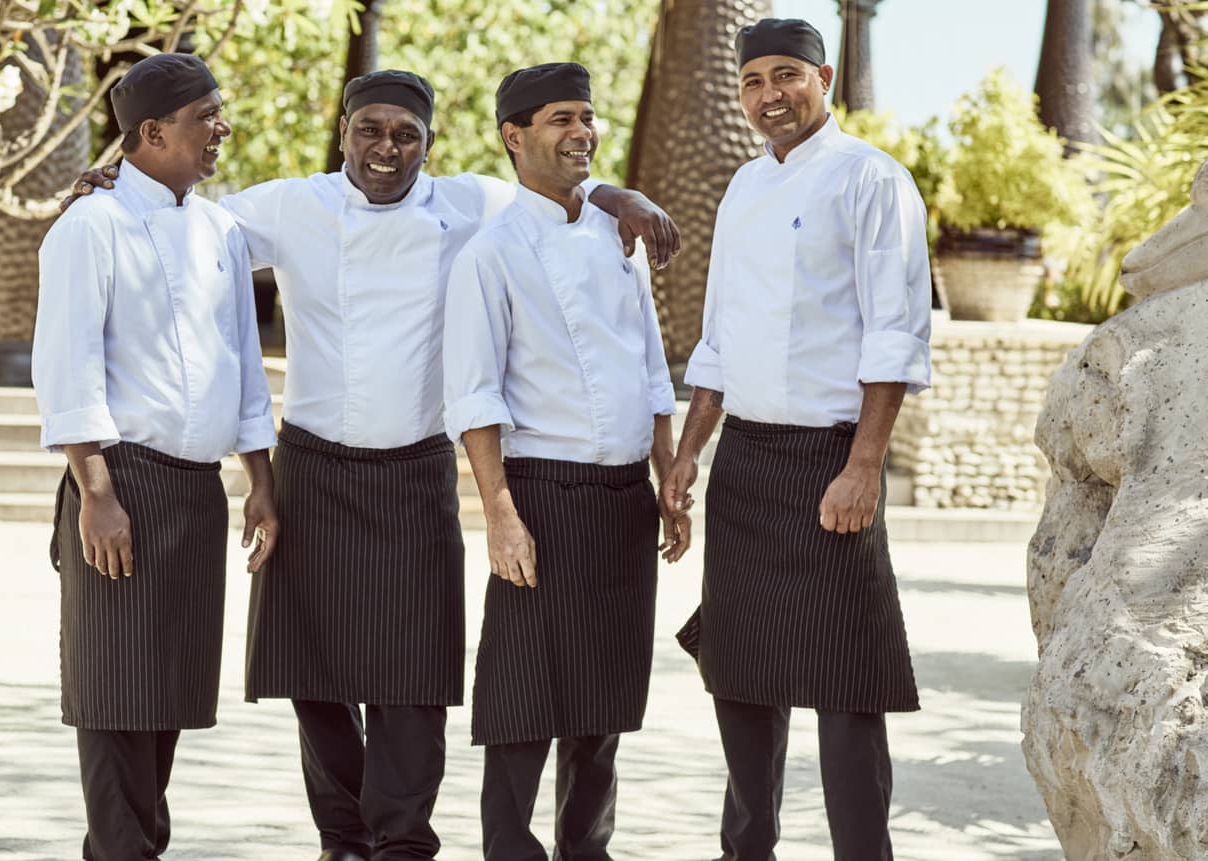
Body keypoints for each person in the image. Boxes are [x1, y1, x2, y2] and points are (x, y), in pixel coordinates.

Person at [63, 68, 680, 861]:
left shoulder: (467, 204)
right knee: (313, 673)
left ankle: (401, 839)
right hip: (313, 468)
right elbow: (182, 214)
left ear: (430, 144)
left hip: (418, 468)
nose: (386, 148)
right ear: (345, 132)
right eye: (369, 130)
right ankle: (343, 837)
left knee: (414, 677)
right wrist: (112, 177)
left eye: (405, 134)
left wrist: (614, 196)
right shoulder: (288, 206)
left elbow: (550, 186)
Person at [660, 18, 932, 861]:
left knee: (849, 686)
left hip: (830, 460)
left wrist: (862, 468)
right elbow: (718, 339)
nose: (769, 95)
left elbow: (895, 335)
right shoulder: (742, 188)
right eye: (752, 81)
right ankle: (747, 851)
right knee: (740, 676)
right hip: (745, 458)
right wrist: (689, 453)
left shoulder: (873, 181)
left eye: (786, 76)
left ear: (822, 77)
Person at [33, 52, 279, 861]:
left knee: (166, 690)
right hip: (120, 481)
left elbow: (244, 367)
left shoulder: (218, 231)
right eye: (206, 116)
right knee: (111, 692)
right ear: (150, 132)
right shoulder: (88, 226)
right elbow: (68, 369)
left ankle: (133, 846)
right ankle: (122, 851)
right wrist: (95, 491)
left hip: (196, 493)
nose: (221, 129)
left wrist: (260, 484)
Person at [442, 62, 688, 861]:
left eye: (586, 116)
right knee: (522, 696)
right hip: (541, 495)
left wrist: (666, 476)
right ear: (514, 137)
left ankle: (589, 850)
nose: (580, 131)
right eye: (560, 119)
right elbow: (475, 398)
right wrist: (501, 515)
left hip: (623, 497)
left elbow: (651, 367)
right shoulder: (491, 253)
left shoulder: (619, 235)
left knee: (604, 699)